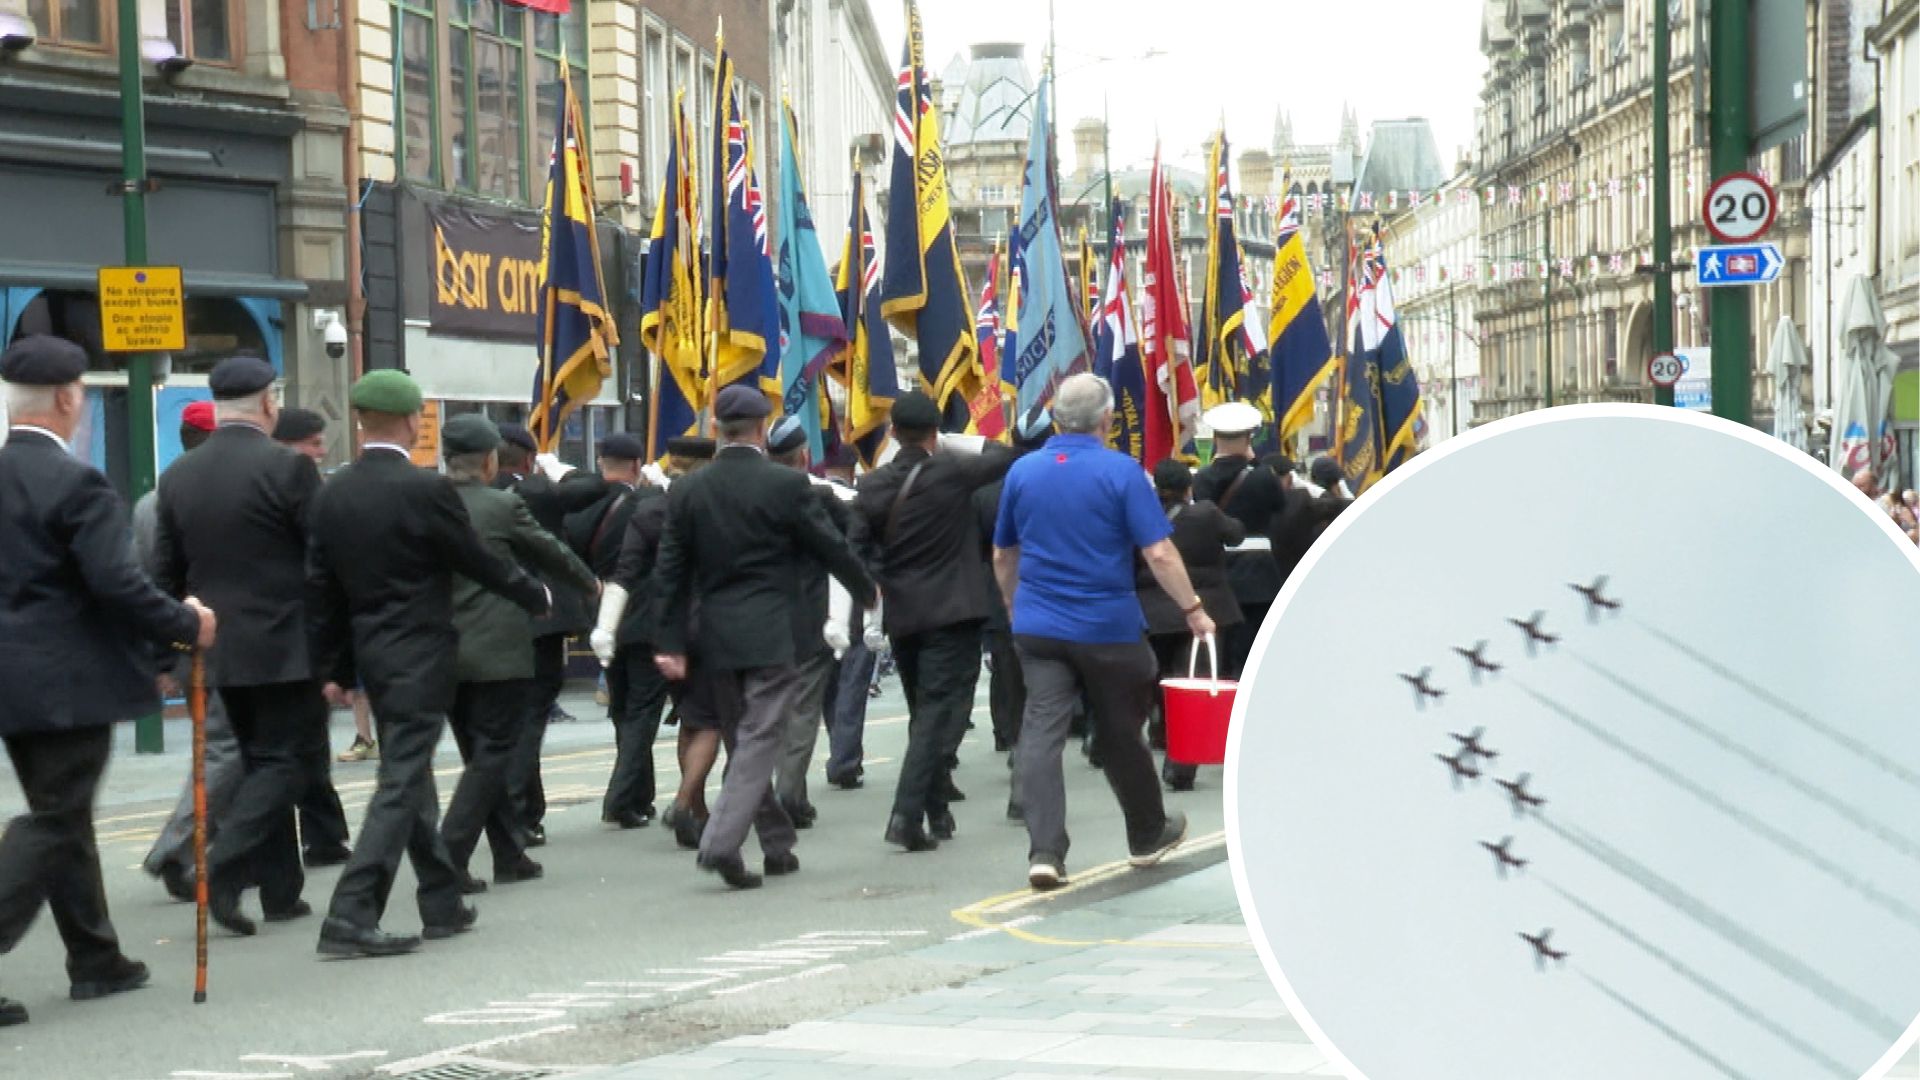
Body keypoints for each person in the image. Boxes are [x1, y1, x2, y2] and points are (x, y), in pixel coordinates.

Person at [0, 335, 217, 1023]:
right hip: (66, 679)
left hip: (10, 680)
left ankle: (96, 955)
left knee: (62, 814)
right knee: (57, 816)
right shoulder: (77, 483)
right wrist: (184, 623)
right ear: (68, 400)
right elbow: (116, 583)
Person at [307, 370, 549, 958]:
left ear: (361, 421)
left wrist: (333, 667)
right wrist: (532, 593)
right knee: (400, 782)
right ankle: (350, 911)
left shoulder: (332, 490)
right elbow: (474, 557)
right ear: (415, 421)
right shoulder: (425, 491)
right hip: (420, 653)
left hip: (373, 653)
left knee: (408, 775)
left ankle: (440, 899)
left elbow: (323, 588)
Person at [651, 386, 875, 889]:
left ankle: (776, 844)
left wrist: (670, 643)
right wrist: (868, 592)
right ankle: (721, 842)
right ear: (761, 427)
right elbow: (831, 548)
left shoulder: (687, 490)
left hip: (711, 635)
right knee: (757, 741)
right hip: (773, 634)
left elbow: (669, 573)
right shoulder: (786, 486)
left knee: (743, 737)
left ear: (715, 428)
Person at [992, 372, 1205, 891]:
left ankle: (1045, 851)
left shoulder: (1023, 472)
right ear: (1107, 420)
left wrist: (1016, 609)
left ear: (1056, 418)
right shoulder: (1122, 471)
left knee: (1041, 731)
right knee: (1118, 731)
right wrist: (1193, 608)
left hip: (1039, 624)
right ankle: (1147, 831)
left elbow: (1003, 554)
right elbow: (1158, 551)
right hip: (1106, 626)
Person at [152, 355, 332, 936]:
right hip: (285, 643)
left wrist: (168, 652)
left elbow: (165, 574)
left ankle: (281, 890)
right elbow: (320, 561)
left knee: (261, 760)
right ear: (268, 404)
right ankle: (222, 868)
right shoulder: (289, 469)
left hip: (216, 646)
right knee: (292, 760)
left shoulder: (178, 475)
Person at [852, 390, 1015, 852]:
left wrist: (877, 583)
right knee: (937, 712)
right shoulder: (952, 471)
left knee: (923, 709)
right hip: (954, 611)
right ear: (934, 433)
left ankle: (937, 807)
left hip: (904, 614)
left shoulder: (873, 485)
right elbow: (1006, 455)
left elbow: (856, 548)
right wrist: (953, 442)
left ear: (891, 432)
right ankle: (905, 815)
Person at [439, 415, 596, 889]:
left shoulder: (427, 503)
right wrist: (589, 583)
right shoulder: (502, 506)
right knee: (494, 755)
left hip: (441, 648)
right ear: (489, 462)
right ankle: (450, 853)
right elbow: (550, 551)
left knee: (477, 755)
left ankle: (509, 852)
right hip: (498, 650)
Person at [592, 436, 716, 836]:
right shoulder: (713, 508)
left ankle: (679, 805)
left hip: (650, 628)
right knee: (715, 722)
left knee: (672, 719)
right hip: (708, 627)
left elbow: (624, 573)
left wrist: (606, 626)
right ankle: (684, 804)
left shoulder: (648, 511)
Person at [495, 422, 608, 846]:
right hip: (537, 621)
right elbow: (594, 485)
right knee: (531, 719)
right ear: (527, 458)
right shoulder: (534, 492)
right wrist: (557, 469)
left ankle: (524, 809)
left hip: (487, 621)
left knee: (504, 722)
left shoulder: (466, 493)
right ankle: (518, 808)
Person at [136, 403, 228, 901]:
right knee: (221, 752)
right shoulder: (187, 498)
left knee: (215, 750)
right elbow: (163, 583)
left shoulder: (154, 497)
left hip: (185, 644)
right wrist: (171, 656)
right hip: (208, 645)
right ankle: (178, 850)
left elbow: (149, 581)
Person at [269, 406, 355, 866]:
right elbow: (322, 568)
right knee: (289, 752)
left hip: (260, 643)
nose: (321, 453)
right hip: (295, 639)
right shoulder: (297, 485)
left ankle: (320, 837)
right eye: (314, 443)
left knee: (298, 749)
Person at [766, 416, 857, 829]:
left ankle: (778, 795)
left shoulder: (746, 492)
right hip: (807, 616)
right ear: (804, 455)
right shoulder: (820, 496)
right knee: (802, 709)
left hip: (755, 618)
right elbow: (847, 545)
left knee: (759, 713)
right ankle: (788, 791)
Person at [1137, 459, 1243, 791]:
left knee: (1159, 676)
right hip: (1203, 607)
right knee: (1192, 681)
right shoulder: (1206, 513)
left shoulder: (1141, 518)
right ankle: (1181, 764)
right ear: (1188, 488)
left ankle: (1159, 724)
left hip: (1152, 609)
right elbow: (1236, 534)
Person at [972, 411, 1054, 787]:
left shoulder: (986, 493)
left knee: (1007, 672)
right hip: (1050, 593)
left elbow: (979, 552)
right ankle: (1033, 746)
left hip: (998, 595)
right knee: (1047, 677)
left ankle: (1011, 735)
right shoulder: (1057, 482)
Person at [1192, 401, 1287, 681]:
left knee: (1220, 651)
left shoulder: (1203, 479)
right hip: (1260, 574)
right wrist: (1255, 462)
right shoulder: (1263, 477)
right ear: (1249, 438)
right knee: (1253, 652)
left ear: (1214, 437)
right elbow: (1279, 505)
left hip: (1219, 573)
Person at [818, 442, 881, 791]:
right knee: (853, 683)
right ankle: (844, 758)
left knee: (829, 684)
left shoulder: (806, 499)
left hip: (816, 604)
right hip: (856, 600)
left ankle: (840, 751)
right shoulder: (856, 503)